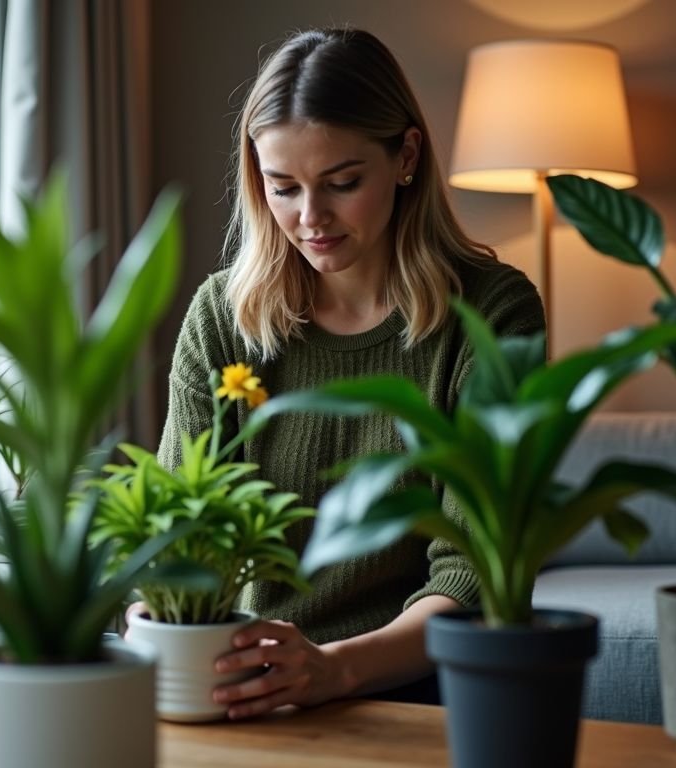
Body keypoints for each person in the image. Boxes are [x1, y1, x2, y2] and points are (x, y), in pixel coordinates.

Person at [149, 27, 545, 720]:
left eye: (342, 183)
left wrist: (333, 669)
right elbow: (178, 532)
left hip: (416, 693)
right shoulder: (222, 317)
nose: (310, 219)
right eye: (283, 188)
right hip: (245, 693)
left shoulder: (492, 313)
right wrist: (147, 623)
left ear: (407, 157)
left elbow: (476, 572)